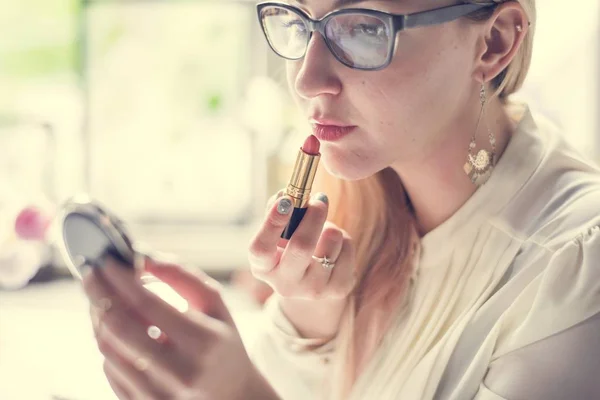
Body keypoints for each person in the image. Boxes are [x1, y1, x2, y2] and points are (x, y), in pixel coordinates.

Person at [81, 0, 600, 399]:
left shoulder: (576, 265)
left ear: (494, 43)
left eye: (363, 28)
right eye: (299, 22)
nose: (307, 80)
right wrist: (311, 321)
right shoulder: (352, 207)